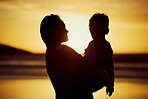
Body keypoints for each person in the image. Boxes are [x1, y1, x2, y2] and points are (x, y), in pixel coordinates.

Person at [40, 14, 93, 99]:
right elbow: (88, 65)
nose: (67, 31)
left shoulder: (50, 52)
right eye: (63, 28)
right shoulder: (61, 51)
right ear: (55, 31)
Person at [83, 13, 114, 97]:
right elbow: (110, 67)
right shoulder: (108, 45)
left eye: (93, 29)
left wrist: (81, 80)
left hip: (91, 78)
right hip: (101, 80)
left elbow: (88, 63)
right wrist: (111, 83)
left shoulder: (93, 44)